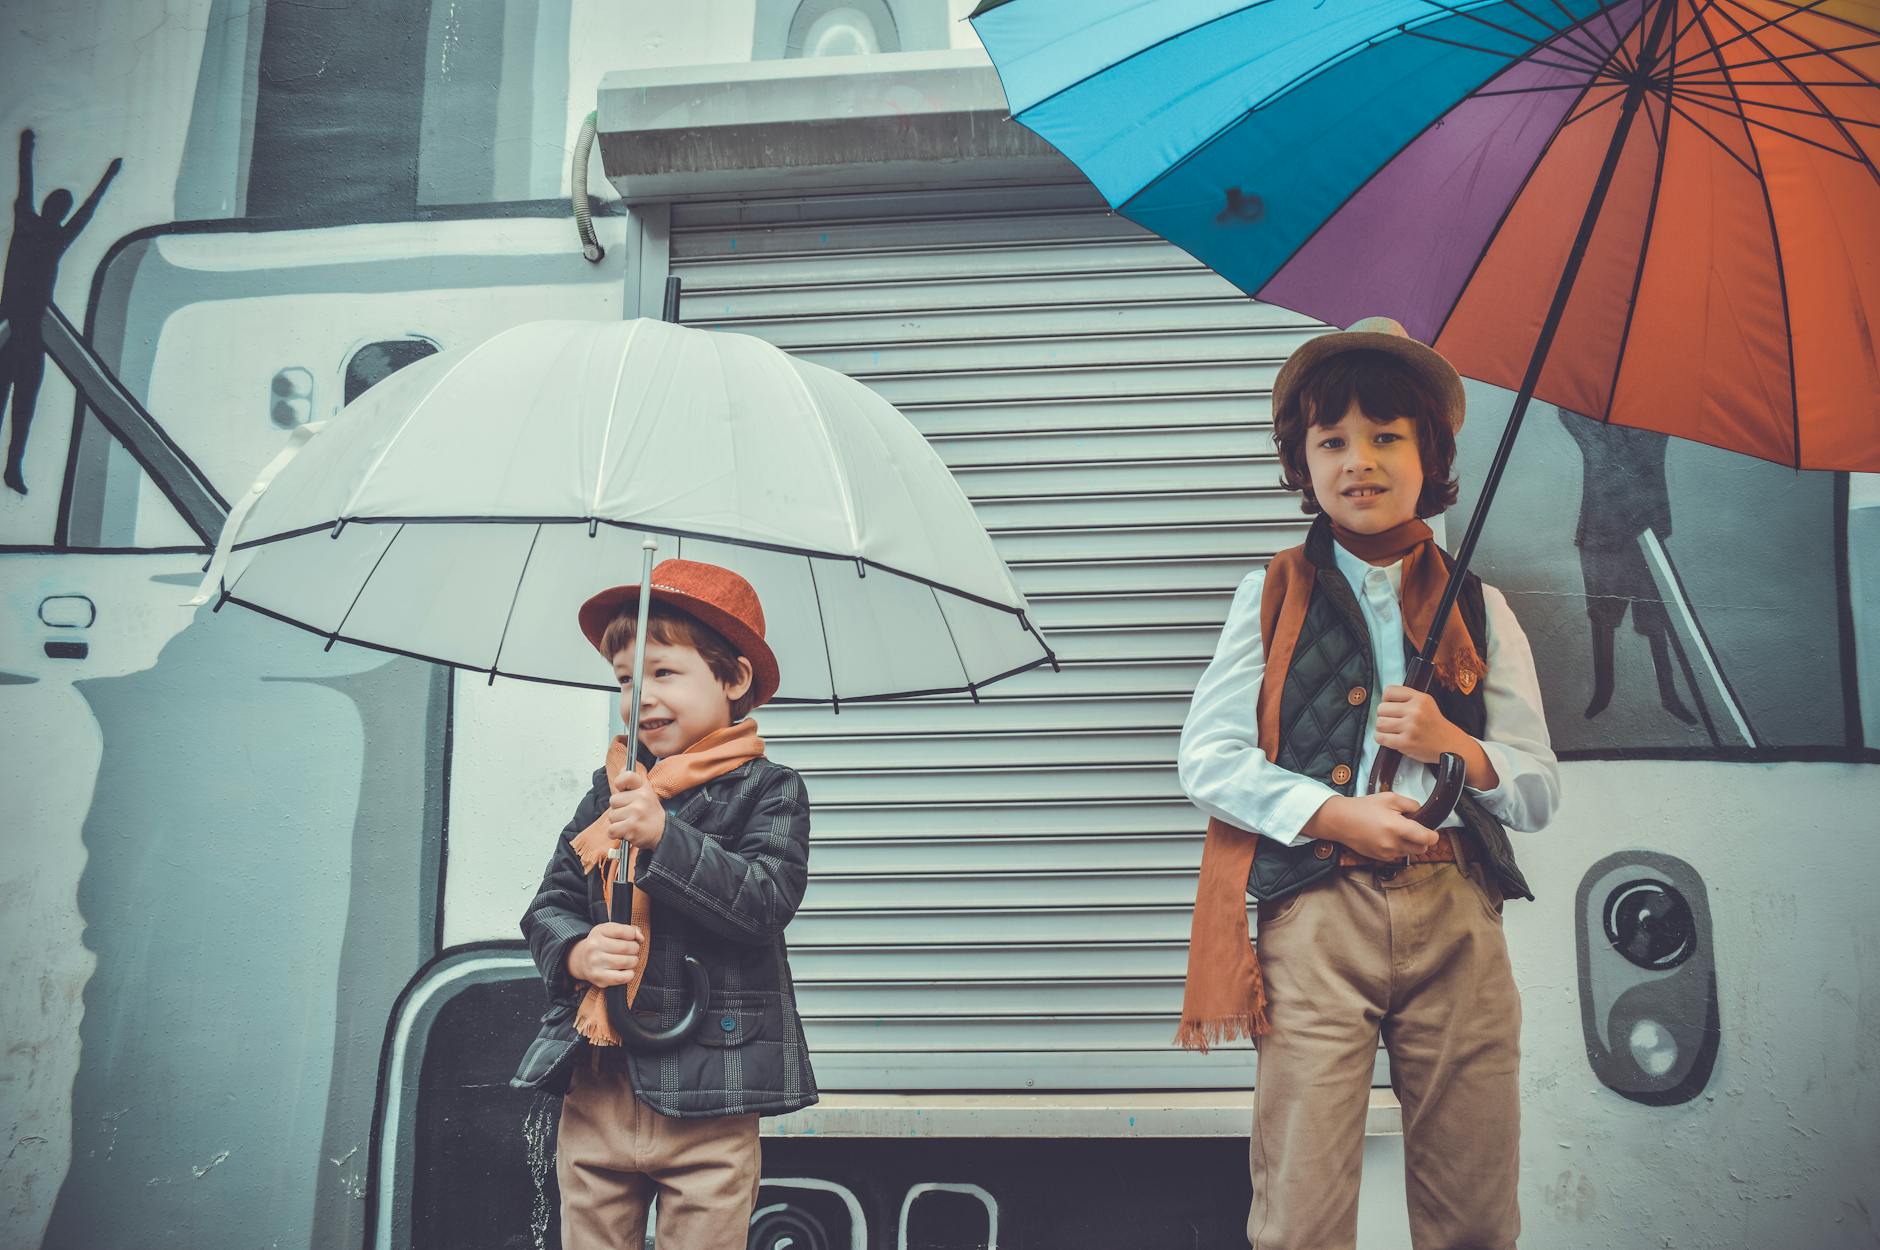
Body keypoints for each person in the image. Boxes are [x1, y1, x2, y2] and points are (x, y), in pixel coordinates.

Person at [1176, 318, 1561, 1250]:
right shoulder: (1268, 592)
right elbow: (1209, 759)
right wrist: (1336, 813)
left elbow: (1539, 789)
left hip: (1459, 911)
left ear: (1430, 455)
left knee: (1474, 1206)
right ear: (1300, 463)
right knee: (1300, 1207)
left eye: (1388, 436)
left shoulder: (1484, 604)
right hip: (1316, 915)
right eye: (1333, 440)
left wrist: (1455, 748)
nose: (1361, 460)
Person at [511, 559, 817, 1249]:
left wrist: (664, 840)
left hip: (712, 1087)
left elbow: (765, 900)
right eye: (625, 680)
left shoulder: (770, 791)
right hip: (600, 1083)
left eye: (664, 673)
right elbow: (550, 904)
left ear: (732, 680)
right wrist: (578, 952)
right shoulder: (610, 791)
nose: (639, 697)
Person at [3, 129, 121, 495]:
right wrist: (27, 148)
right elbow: (32, 185)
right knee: (15, 405)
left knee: (23, 408)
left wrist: (109, 178)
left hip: (28, 337)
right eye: (60, 205)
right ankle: (12, 468)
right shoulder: (33, 227)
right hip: (13, 332)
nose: (61, 210)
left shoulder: (50, 234)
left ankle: (12, 469)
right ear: (53, 207)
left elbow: (86, 210)